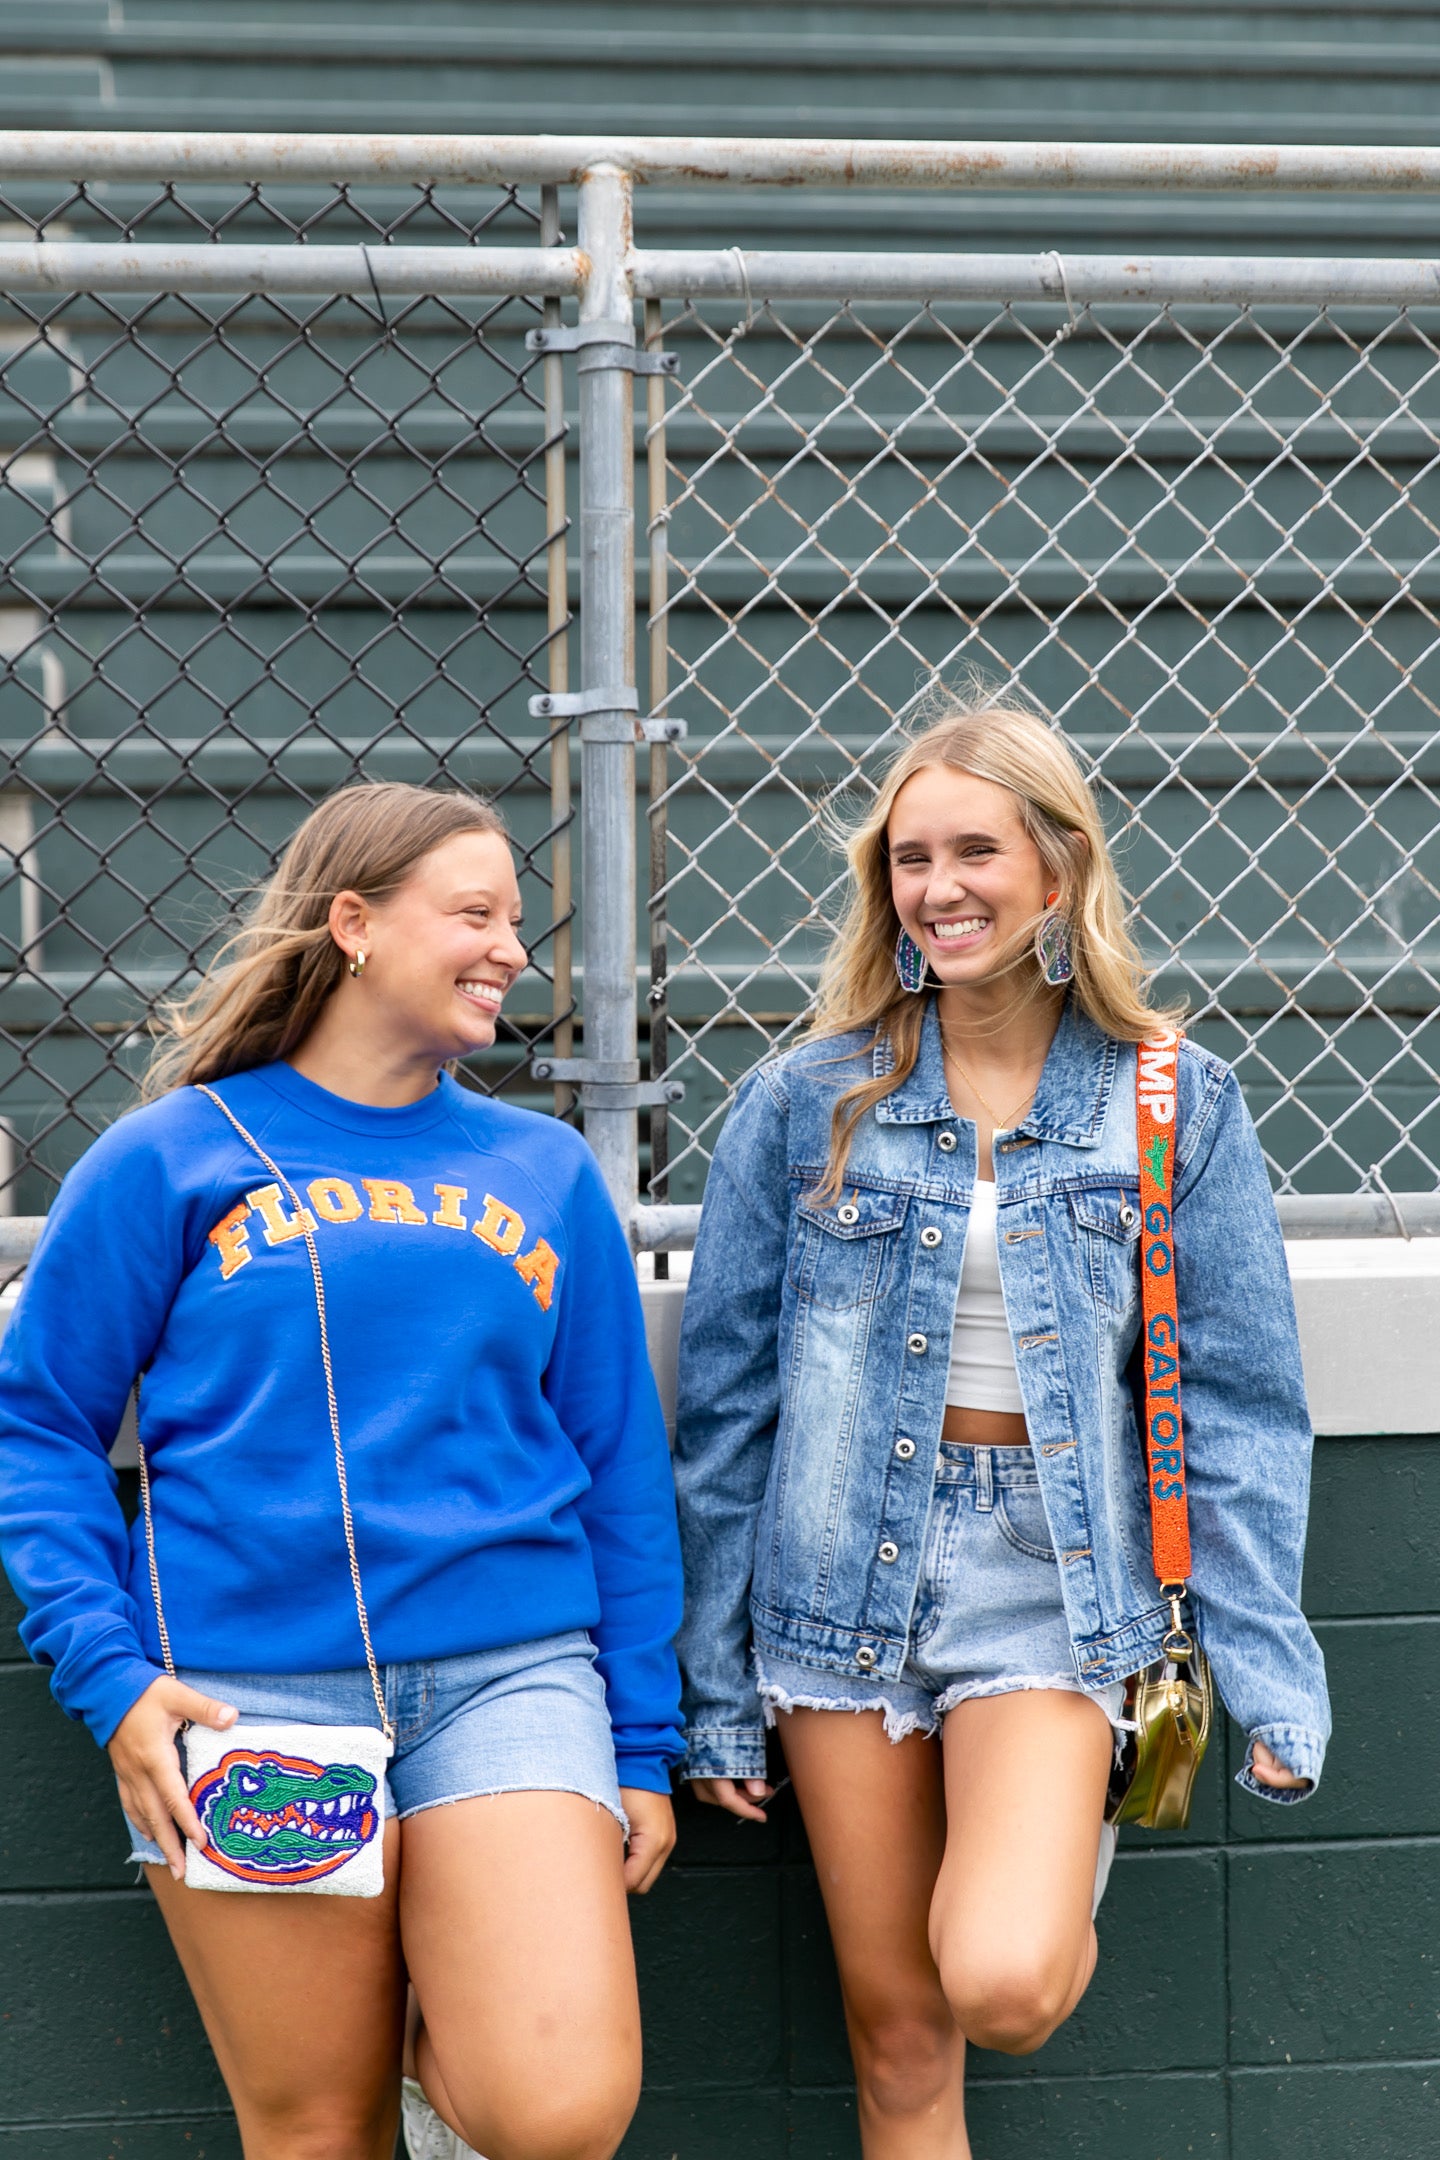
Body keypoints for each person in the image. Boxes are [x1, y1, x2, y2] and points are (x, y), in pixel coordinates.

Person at [673, 691, 1329, 2159]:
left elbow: (1239, 1402)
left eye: (977, 849)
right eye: (911, 858)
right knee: (900, 2040)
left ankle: (1062, 1827)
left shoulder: (1173, 1101)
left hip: (1053, 1576)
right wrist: (713, 1684)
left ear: (1060, 869)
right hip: (835, 1582)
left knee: (1003, 1984)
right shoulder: (805, 1101)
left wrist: (1264, 1667)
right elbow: (724, 1414)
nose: (941, 886)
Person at [0, 782, 683, 2160]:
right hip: (249, 1701)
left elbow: (618, 1464)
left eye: (520, 921)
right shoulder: (171, 1157)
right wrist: (111, 1678)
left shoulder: (542, 1169)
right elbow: (39, 1429)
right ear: (355, 923)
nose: (510, 949)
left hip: (510, 1676)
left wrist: (644, 1741)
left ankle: (445, 2040)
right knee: (315, 2124)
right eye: (474, 915)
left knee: (557, 2111)